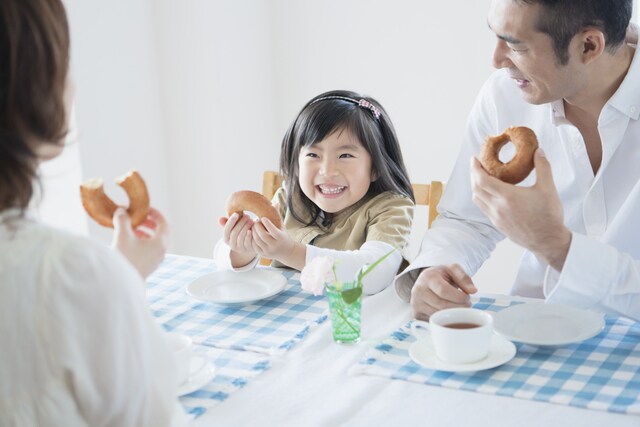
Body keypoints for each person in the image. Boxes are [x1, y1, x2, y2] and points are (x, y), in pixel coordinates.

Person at [0, 1, 189, 425]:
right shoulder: (71, 272)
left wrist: (121, 273)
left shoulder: (77, 272)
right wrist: (119, 278)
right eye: (62, 60)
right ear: (33, 88)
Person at [395, 0, 640, 321]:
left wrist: (556, 245)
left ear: (589, 45)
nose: (495, 61)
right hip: (535, 326)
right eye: (496, 36)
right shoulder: (504, 96)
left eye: (517, 46)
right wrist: (436, 268)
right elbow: (468, 219)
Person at [214, 90, 414, 294]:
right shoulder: (289, 197)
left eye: (345, 155)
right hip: (291, 315)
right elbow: (221, 260)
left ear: (376, 167)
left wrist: (290, 251)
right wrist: (241, 250)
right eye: (313, 154)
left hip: (358, 320)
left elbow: (372, 272)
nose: (327, 171)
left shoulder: (392, 208)